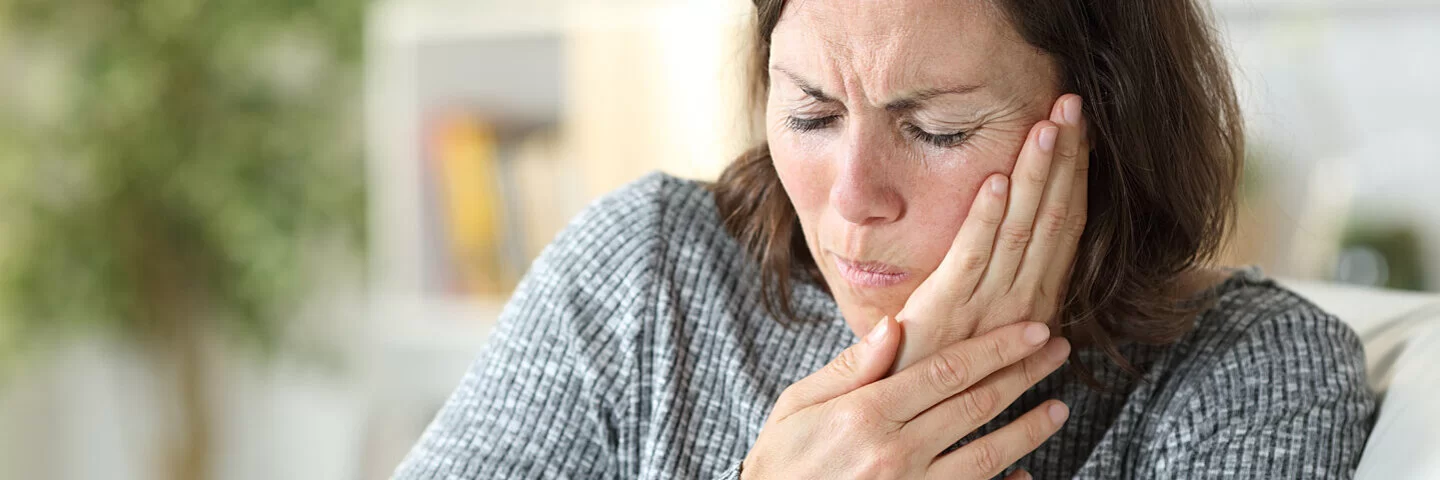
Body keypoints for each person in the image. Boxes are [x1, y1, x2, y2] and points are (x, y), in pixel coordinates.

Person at [394, 0, 1375, 478]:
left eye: (936, 129)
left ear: (1107, 127)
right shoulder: (647, 273)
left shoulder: (1249, 373)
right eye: (813, 113)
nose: (854, 198)